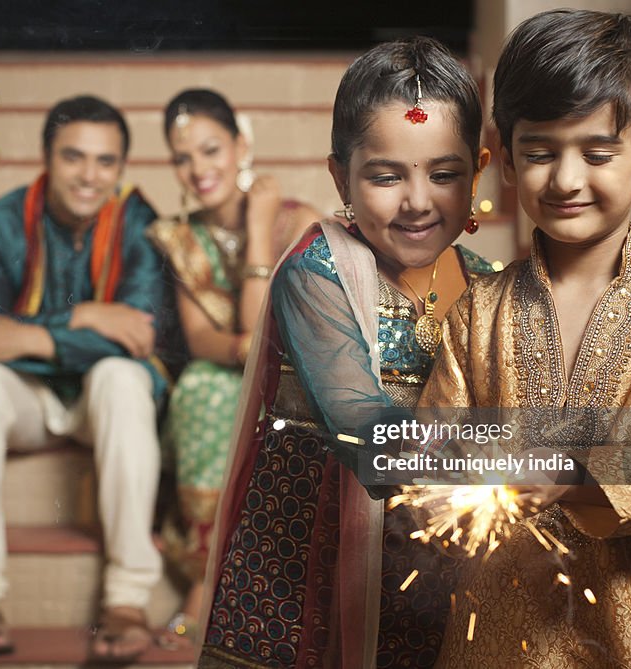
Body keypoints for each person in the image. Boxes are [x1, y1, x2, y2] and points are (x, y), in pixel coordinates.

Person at [417, 10, 631, 668]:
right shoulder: (477, 308)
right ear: (505, 159)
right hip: (488, 647)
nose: (566, 179)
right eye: (540, 152)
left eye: (597, 153)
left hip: (629, 646)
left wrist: (572, 471)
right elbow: (431, 448)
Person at [197, 37, 494, 668]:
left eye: (444, 174)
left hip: (436, 552)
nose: (417, 201)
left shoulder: (488, 284)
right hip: (306, 553)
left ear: (479, 169)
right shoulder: (315, 271)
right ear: (341, 177)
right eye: (386, 176)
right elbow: (361, 419)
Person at [0, 95, 167, 662]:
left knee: (120, 373)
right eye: (73, 157)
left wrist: (32, 335)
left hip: (103, 405)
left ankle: (128, 598)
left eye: (105, 162)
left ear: (121, 168)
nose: (90, 176)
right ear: (46, 157)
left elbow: (137, 333)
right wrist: (87, 318)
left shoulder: (140, 224)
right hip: (28, 402)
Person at [146, 88, 322, 645]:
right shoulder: (180, 238)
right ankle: (202, 579)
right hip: (226, 372)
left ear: (241, 145)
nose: (198, 169)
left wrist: (258, 227)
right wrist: (245, 347)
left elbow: (262, 321)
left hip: (295, 372)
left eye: (211, 150)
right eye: (182, 157)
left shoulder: (297, 219)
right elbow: (203, 340)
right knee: (202, 390)